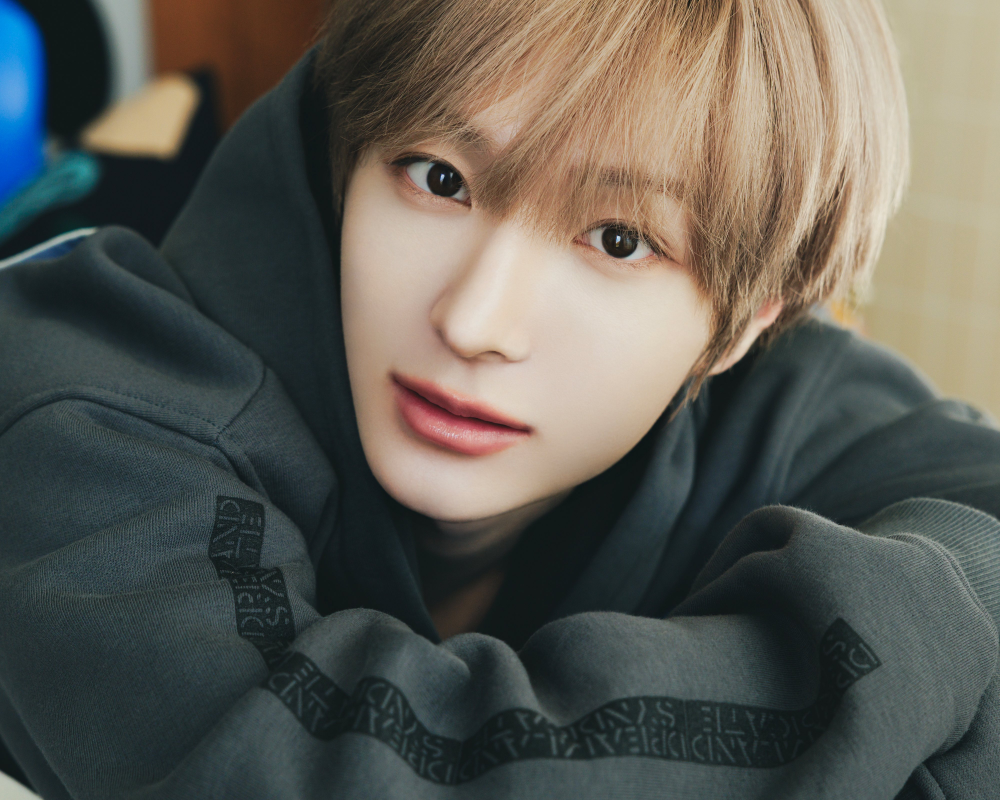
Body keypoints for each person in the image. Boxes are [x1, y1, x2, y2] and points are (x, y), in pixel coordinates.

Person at [0, 0, 998, 797]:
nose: (477, 320)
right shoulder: (87, 408)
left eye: (618, 239)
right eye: (439, 178)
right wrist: (888, 682)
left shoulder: (790, 403)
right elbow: (314, 774)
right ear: (345, 156)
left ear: (742, 324)